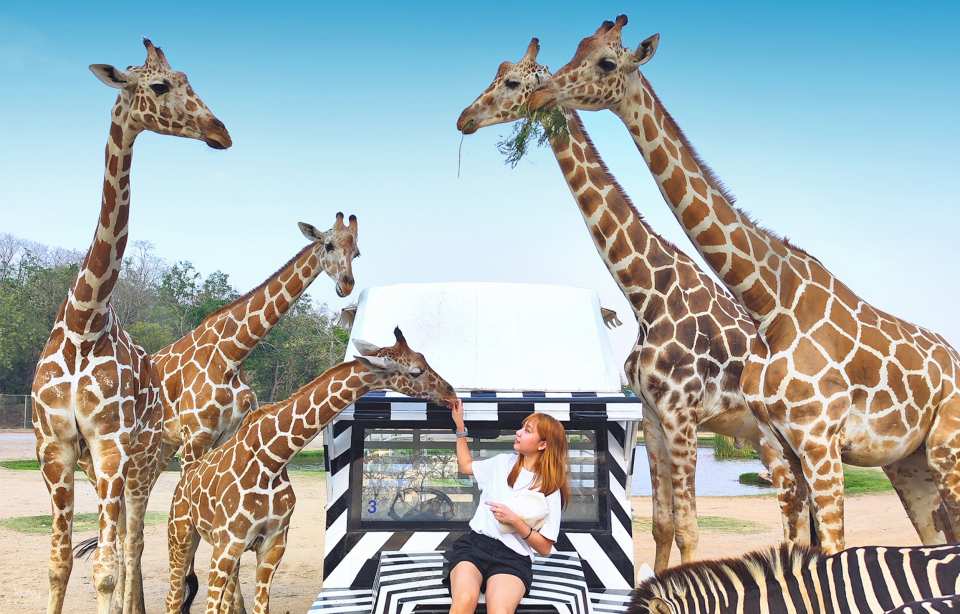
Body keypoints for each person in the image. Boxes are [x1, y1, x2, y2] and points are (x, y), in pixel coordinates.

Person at [445, 398, 570, 614]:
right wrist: (460, 427)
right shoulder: (502, 463)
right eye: (521, 427)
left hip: (513, 558)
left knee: (500, 610)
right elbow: (465, 466)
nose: (518, 433)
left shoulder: (550, 487)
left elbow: (545, 548)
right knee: (465, 599)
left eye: (527, 430)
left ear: (543, 445)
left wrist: (515, 522)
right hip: (475, 546)